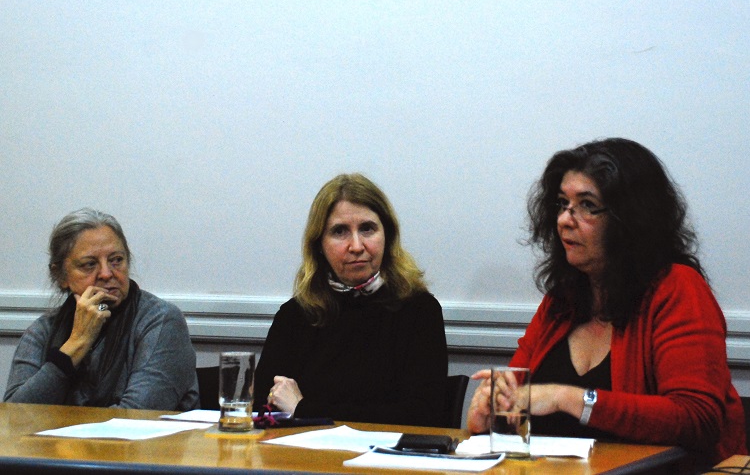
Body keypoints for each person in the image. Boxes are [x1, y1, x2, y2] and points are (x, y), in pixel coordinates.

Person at [467, 138, 746, 465]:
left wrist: (567, 398)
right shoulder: (563, 300)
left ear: (630, 219)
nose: (564, 220)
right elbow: (516, 395)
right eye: (562, 204)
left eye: (587, 205)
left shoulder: (677, 288)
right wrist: (493, 414)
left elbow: (696, 419)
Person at [254, 173, 448, 427]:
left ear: (387, 236)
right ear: (319, 245)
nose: (356, 246)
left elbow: (422, 415)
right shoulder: (297, 314)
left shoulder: (419, 310)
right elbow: (262, 406)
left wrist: (304, 408)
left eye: (367, 229)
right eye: (340, 232)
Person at [4, 208, 199, 410]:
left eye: (116, 260)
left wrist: (65, 438)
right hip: (58, 442)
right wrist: (76, 344)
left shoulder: (161, 320)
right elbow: (14, 417)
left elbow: (136, 418)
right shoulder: (44, 330)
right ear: (61, 276)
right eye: (89, 264)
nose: (107, 273)